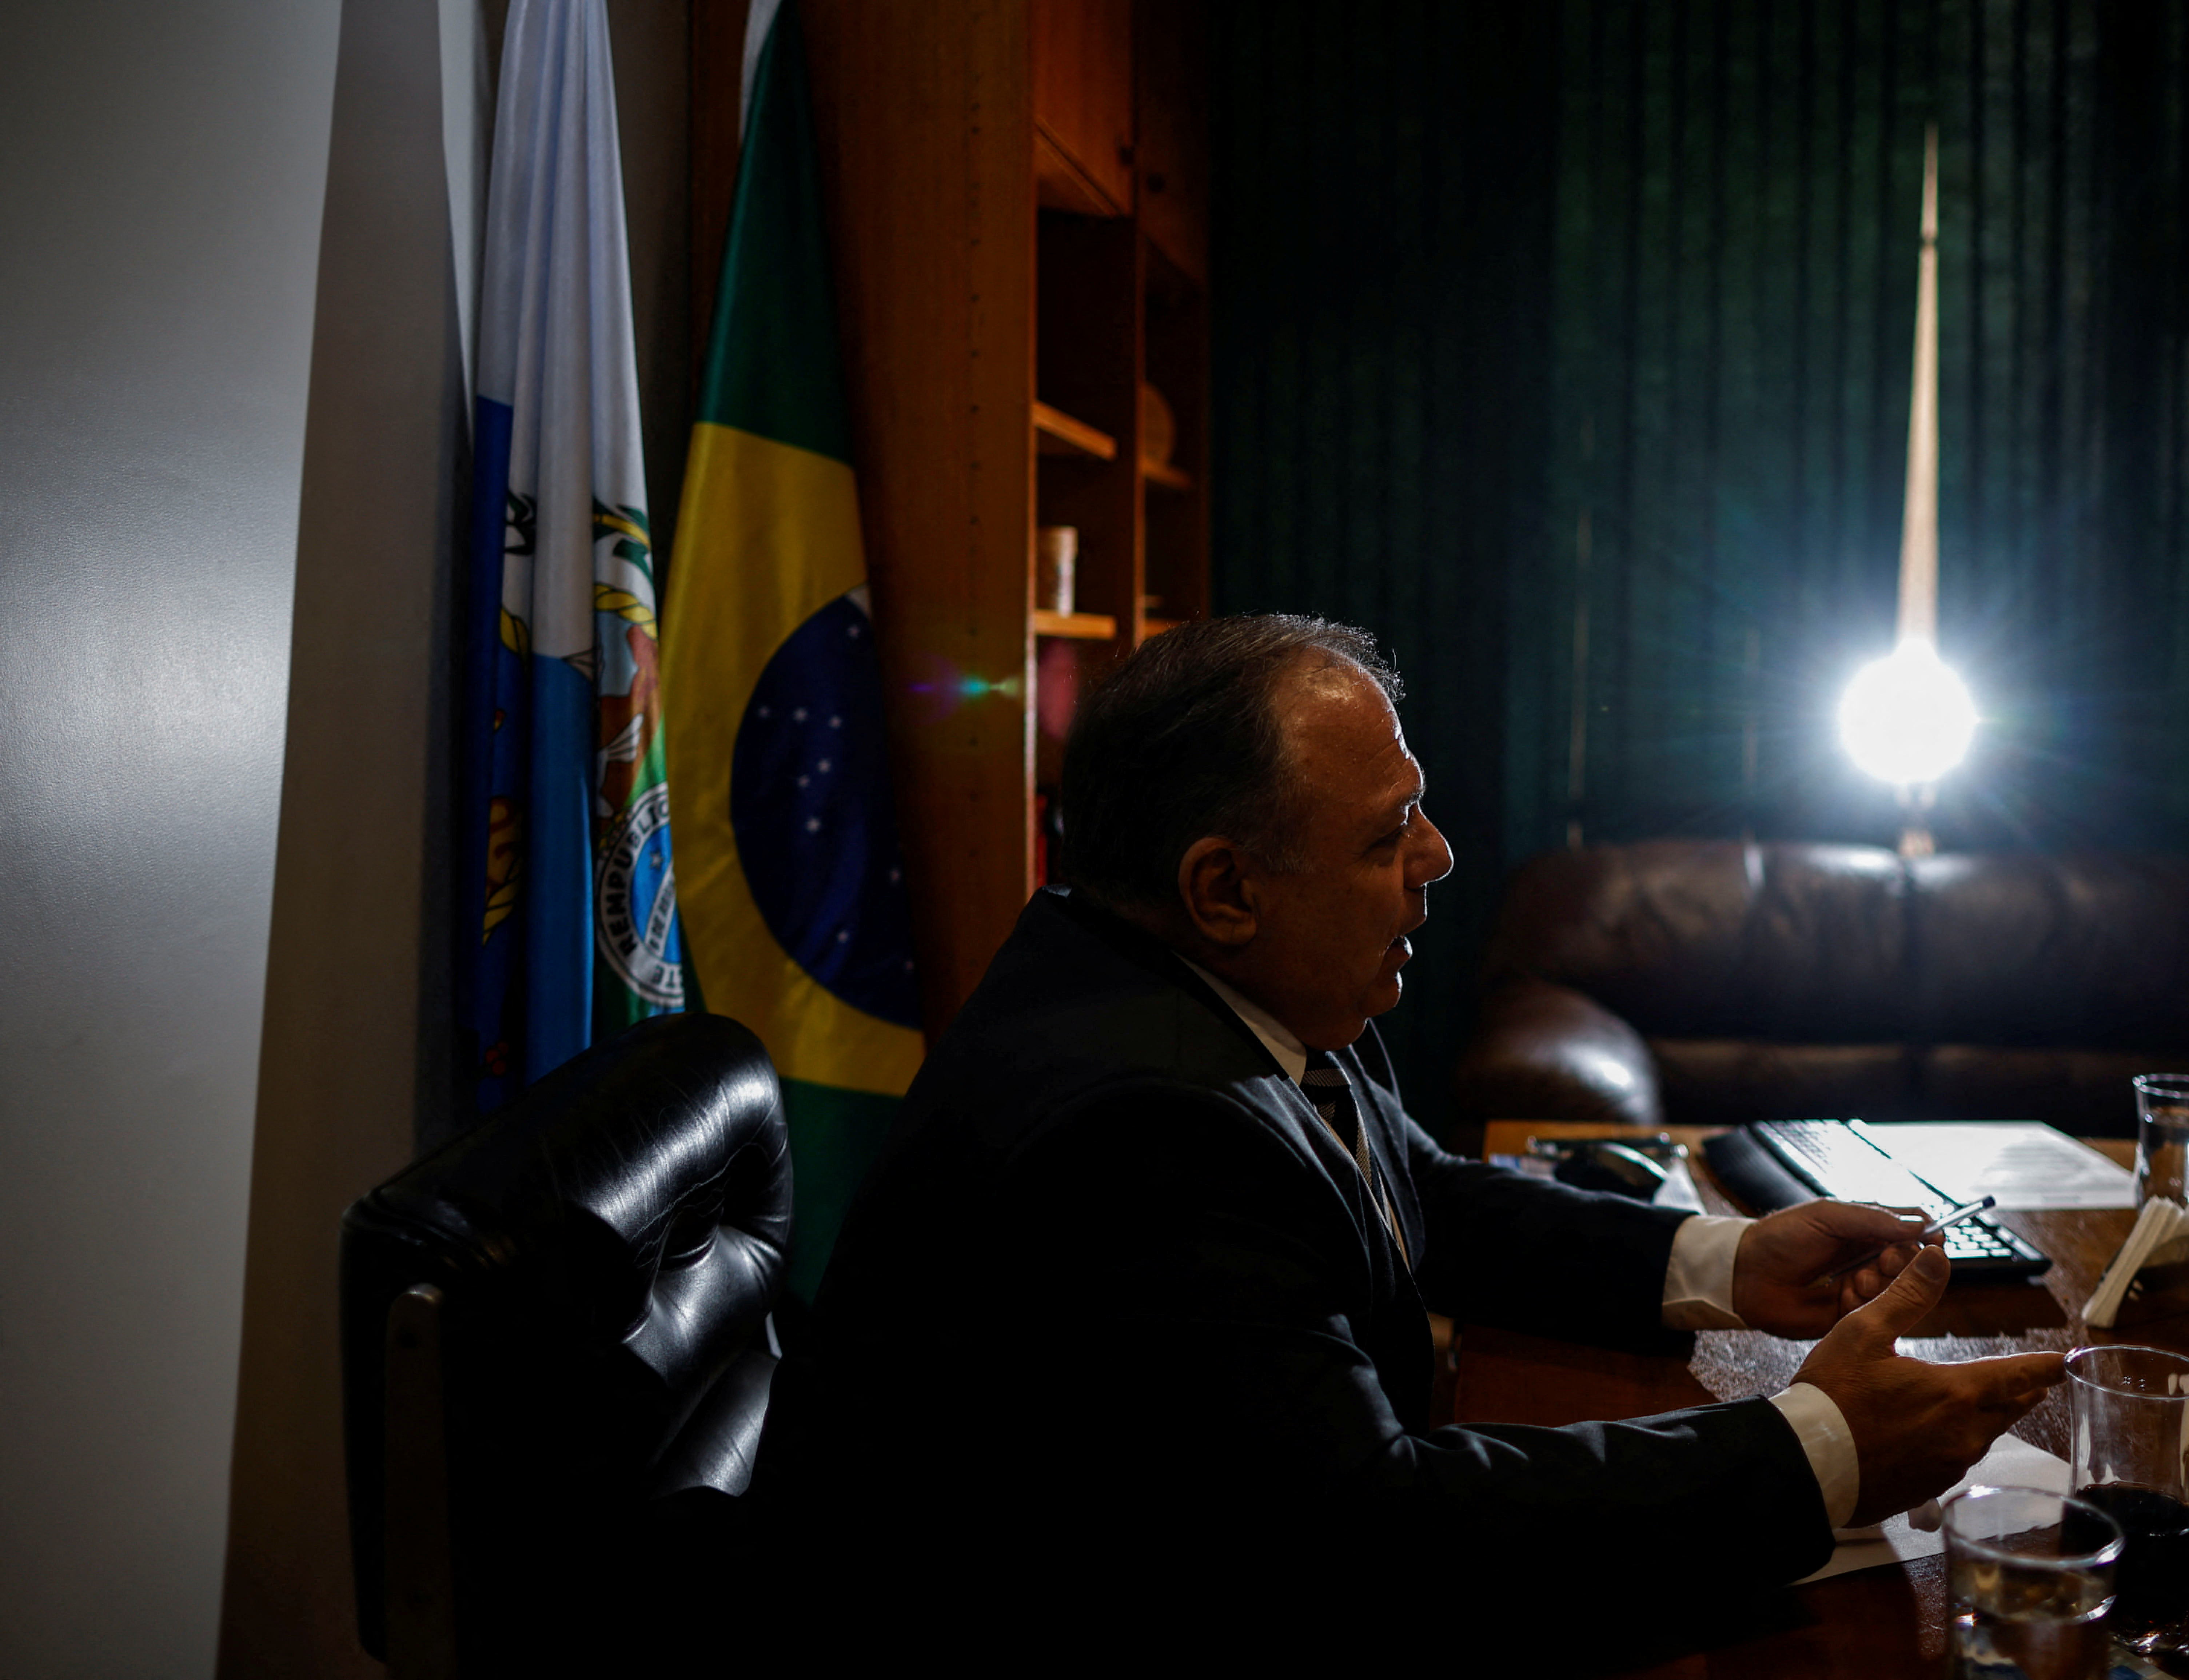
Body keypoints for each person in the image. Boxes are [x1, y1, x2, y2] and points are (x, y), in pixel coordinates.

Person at [756, 615, 2063, 1672]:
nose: (1437, 857)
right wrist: (1821, 1446)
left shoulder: (1215, 976)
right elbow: (1376, 1537)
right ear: (1226, 887)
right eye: (1387, 836)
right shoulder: (1144, 1130)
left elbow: (1416, 1194)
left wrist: (1724, 1261)